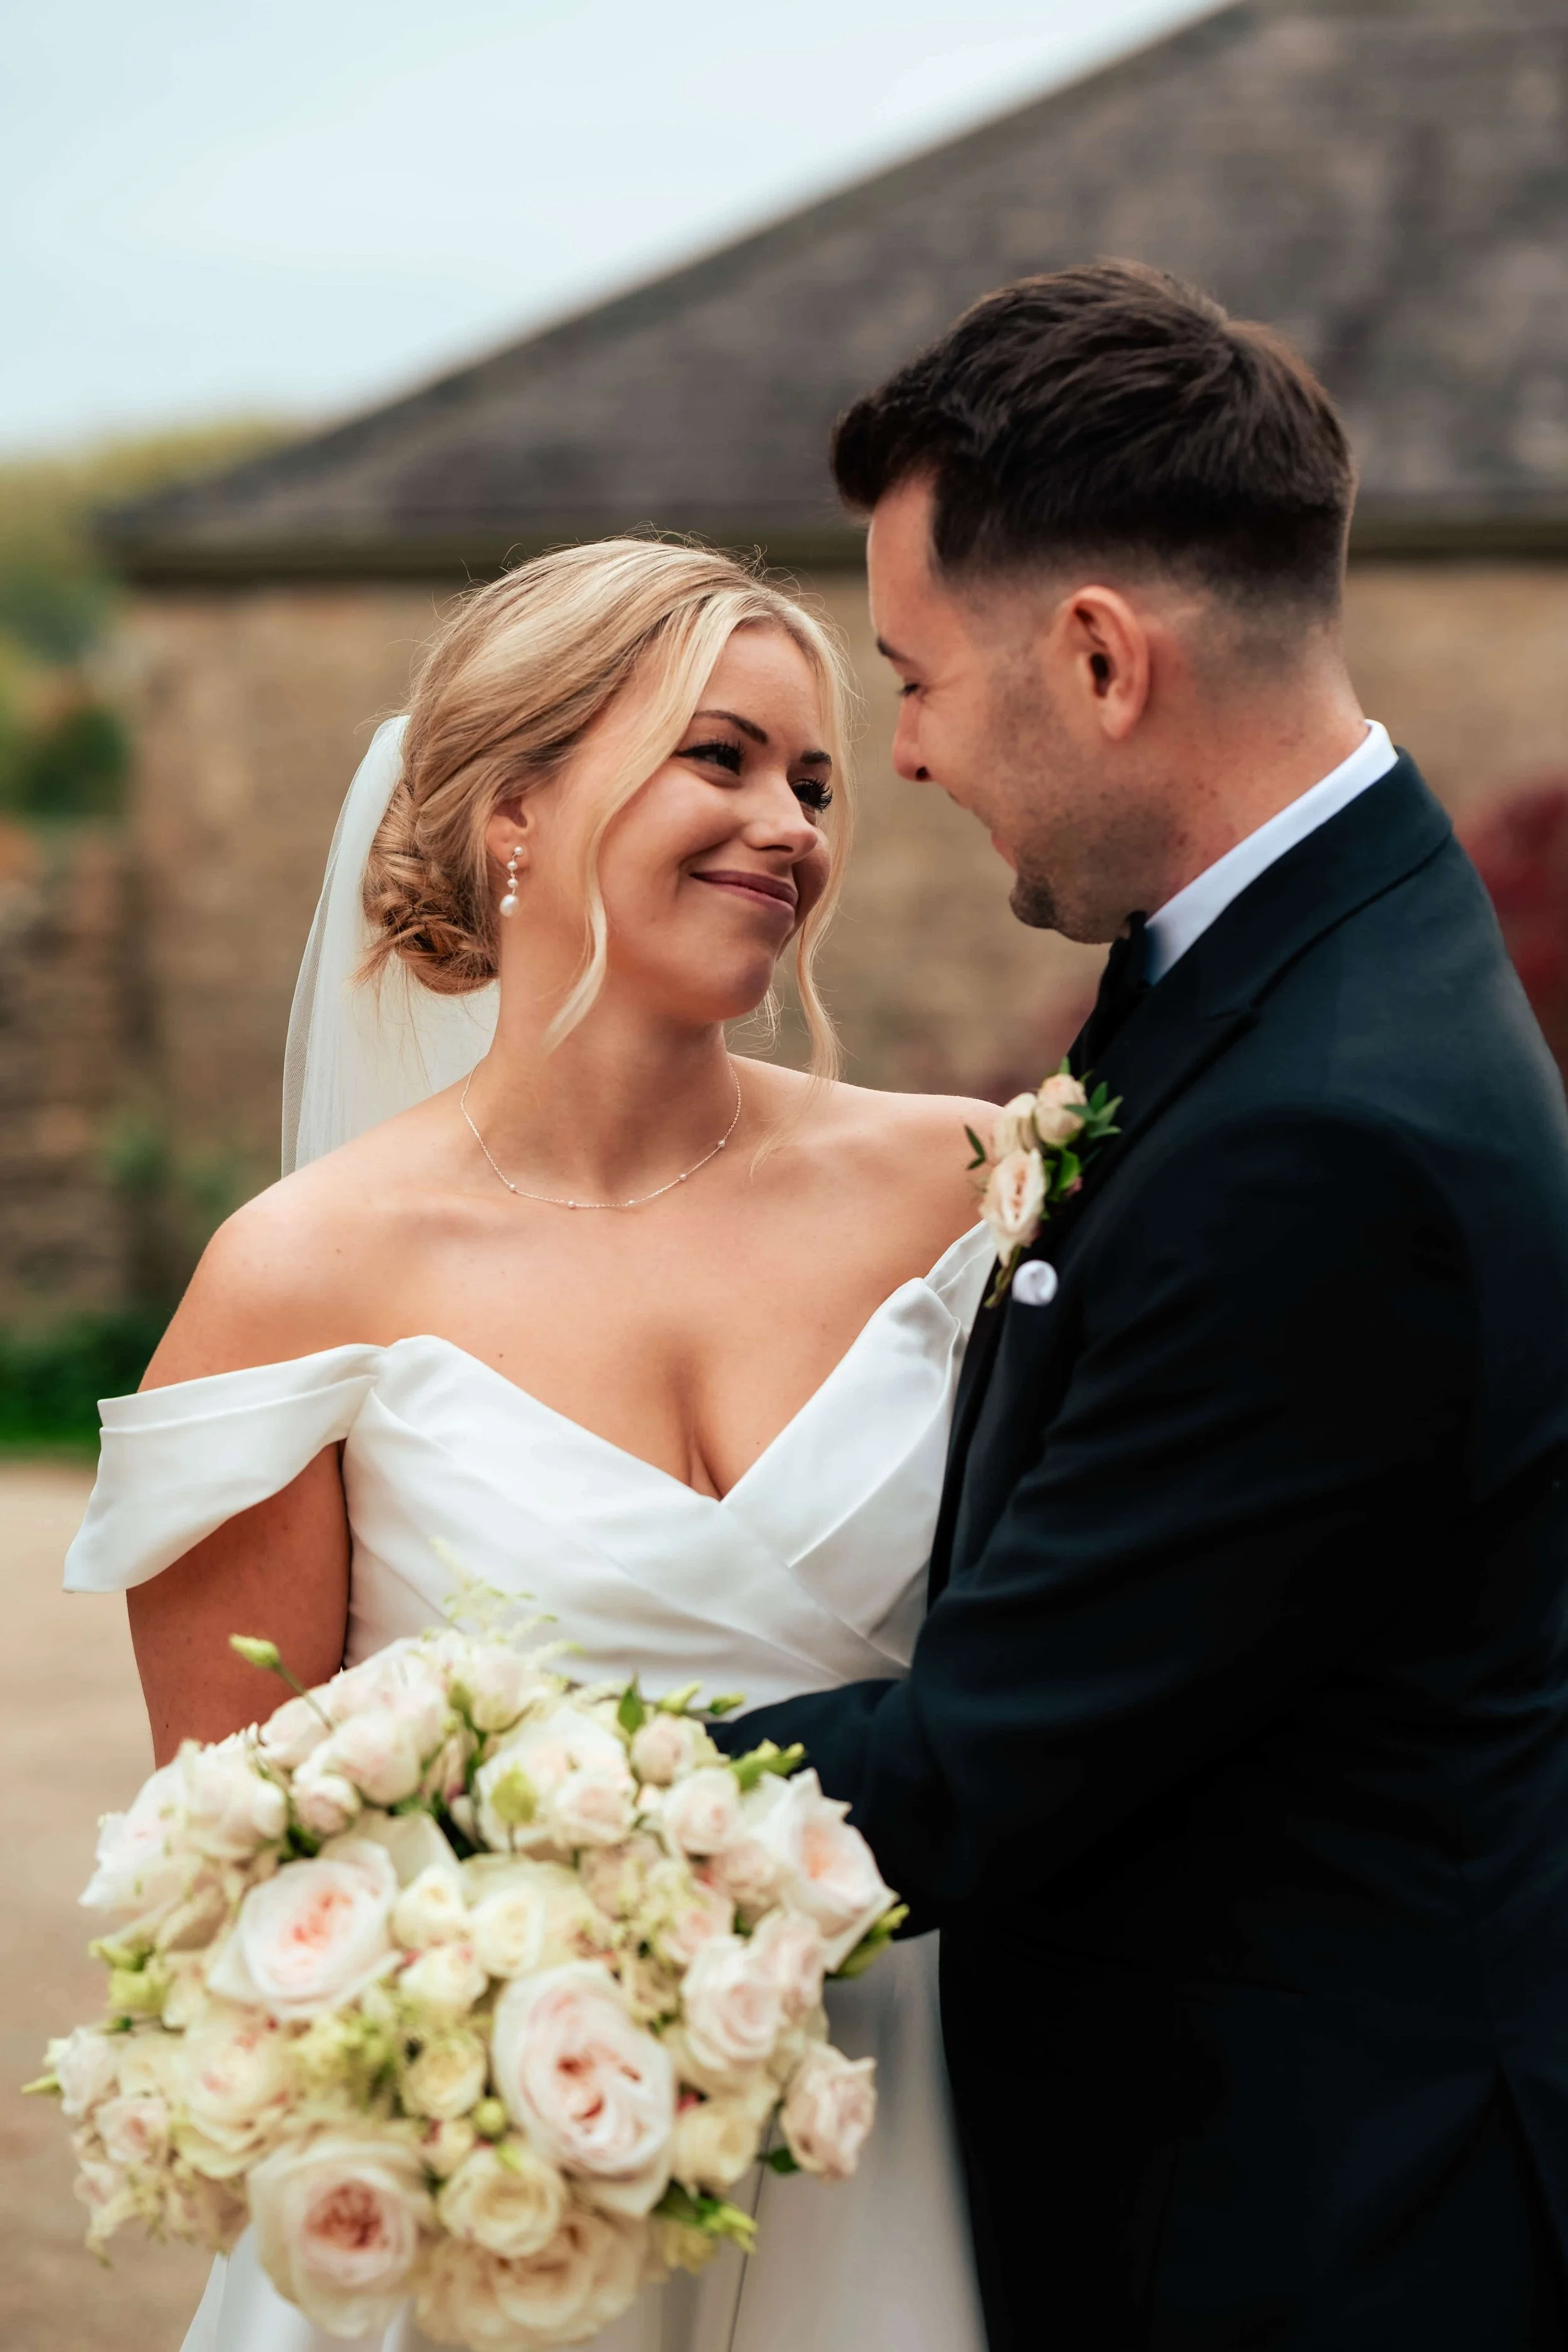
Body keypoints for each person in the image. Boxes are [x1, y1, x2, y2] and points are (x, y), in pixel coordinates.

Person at [718, 262, 1568, 2349]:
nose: (895, 757)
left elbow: (972, 1769)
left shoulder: (1327, 1129)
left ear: (1099, 658)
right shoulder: (1318, 950)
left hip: (1323, 2236)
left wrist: (443, 1796)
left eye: (911, 678)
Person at [63, 538, 999, 2352]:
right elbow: (236, 1880)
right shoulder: (300, 1275)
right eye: (715, 757)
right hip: (506, 2211)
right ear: (514, 810)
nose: (790, 823)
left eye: (811, 778)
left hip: (920, 2133)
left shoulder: (962, 1183)